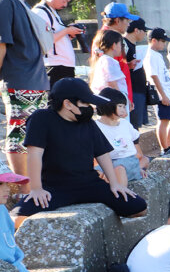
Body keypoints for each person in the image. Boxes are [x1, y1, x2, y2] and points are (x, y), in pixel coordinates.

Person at [10, 77, 147, 225]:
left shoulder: (87, 123)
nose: (89, 108)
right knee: (16, 217)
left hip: (89, 184)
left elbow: (102, 153)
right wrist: (36, 188)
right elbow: (34, 154)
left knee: (139, 207)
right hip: (55, 187)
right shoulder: (41, 118)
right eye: (85, 103)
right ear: (68, 103)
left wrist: (114, 183)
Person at [0, 0, 50, 178]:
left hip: (34, 79)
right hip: (19, 79)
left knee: (31, 135)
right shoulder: (5, 0)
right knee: (18, 135)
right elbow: (1, 45)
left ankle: (31, 184)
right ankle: (22, 188)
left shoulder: (18, 1)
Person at [32, 0, 83, 87]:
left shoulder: (52, 11)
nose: (65, 5)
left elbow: (55, 38)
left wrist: (69, 34)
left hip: (62, 66)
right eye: (64, 1)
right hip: (54, 67)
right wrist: (67, 30)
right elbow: (44, 40)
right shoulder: (40, 13)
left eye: (67, 2)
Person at [94, 89, 148, 183]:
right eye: (120, 106)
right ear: (108, 105)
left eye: (124, 107)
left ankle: (121, 193)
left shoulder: (124, 124)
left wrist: (138, 166)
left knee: (141, 160)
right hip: (108, 162)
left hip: (127, 161)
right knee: (99, 171)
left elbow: (135, 141)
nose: (124, 110)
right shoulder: (95, 126)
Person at [143, 28, 170, 155]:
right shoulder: (150, 55)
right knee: (163, 121)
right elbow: (153, 76)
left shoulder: (157, 54)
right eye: (162, 41)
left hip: (169, 92)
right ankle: (164, 148)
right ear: (154, 40)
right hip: (161, 94)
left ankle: (168, 146)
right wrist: (163, 95)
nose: (164, 44)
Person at [125, 19, 150, 129]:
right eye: (144, 30)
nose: (145, 34)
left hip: (139, 90)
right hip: (131, 91)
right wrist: (128, 65)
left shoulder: (134, 46)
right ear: (136, 30)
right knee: (133, 127)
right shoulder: (124, 44)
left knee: (137, 126)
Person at [89, 30, 128, 97]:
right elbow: (112, 83)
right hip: (113, 101)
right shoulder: (108, 61)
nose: (122, 47)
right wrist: (121, 100)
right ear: (114, 45)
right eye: (121, 44)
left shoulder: (104, 59)